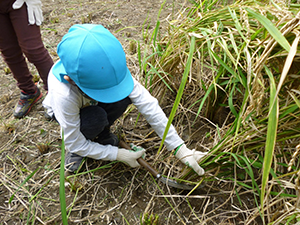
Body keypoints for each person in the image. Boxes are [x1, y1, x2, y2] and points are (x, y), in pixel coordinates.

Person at [43, 24, 207, 175]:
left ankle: (102, 134)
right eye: (102, 90)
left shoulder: (110, 71)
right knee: (95, 119)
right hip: (74, 114)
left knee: (122, 98)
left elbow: (149, 105)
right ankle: (83, 146)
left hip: (92, 103)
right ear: (71, 80)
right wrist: (116, 154)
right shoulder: (64, 94)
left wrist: (179, 148)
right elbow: (74, 141)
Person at [0, 0, 54, 118]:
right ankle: (29, 90)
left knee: (34, 50)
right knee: (9, 52)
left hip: (19, 2)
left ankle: (55, 92)